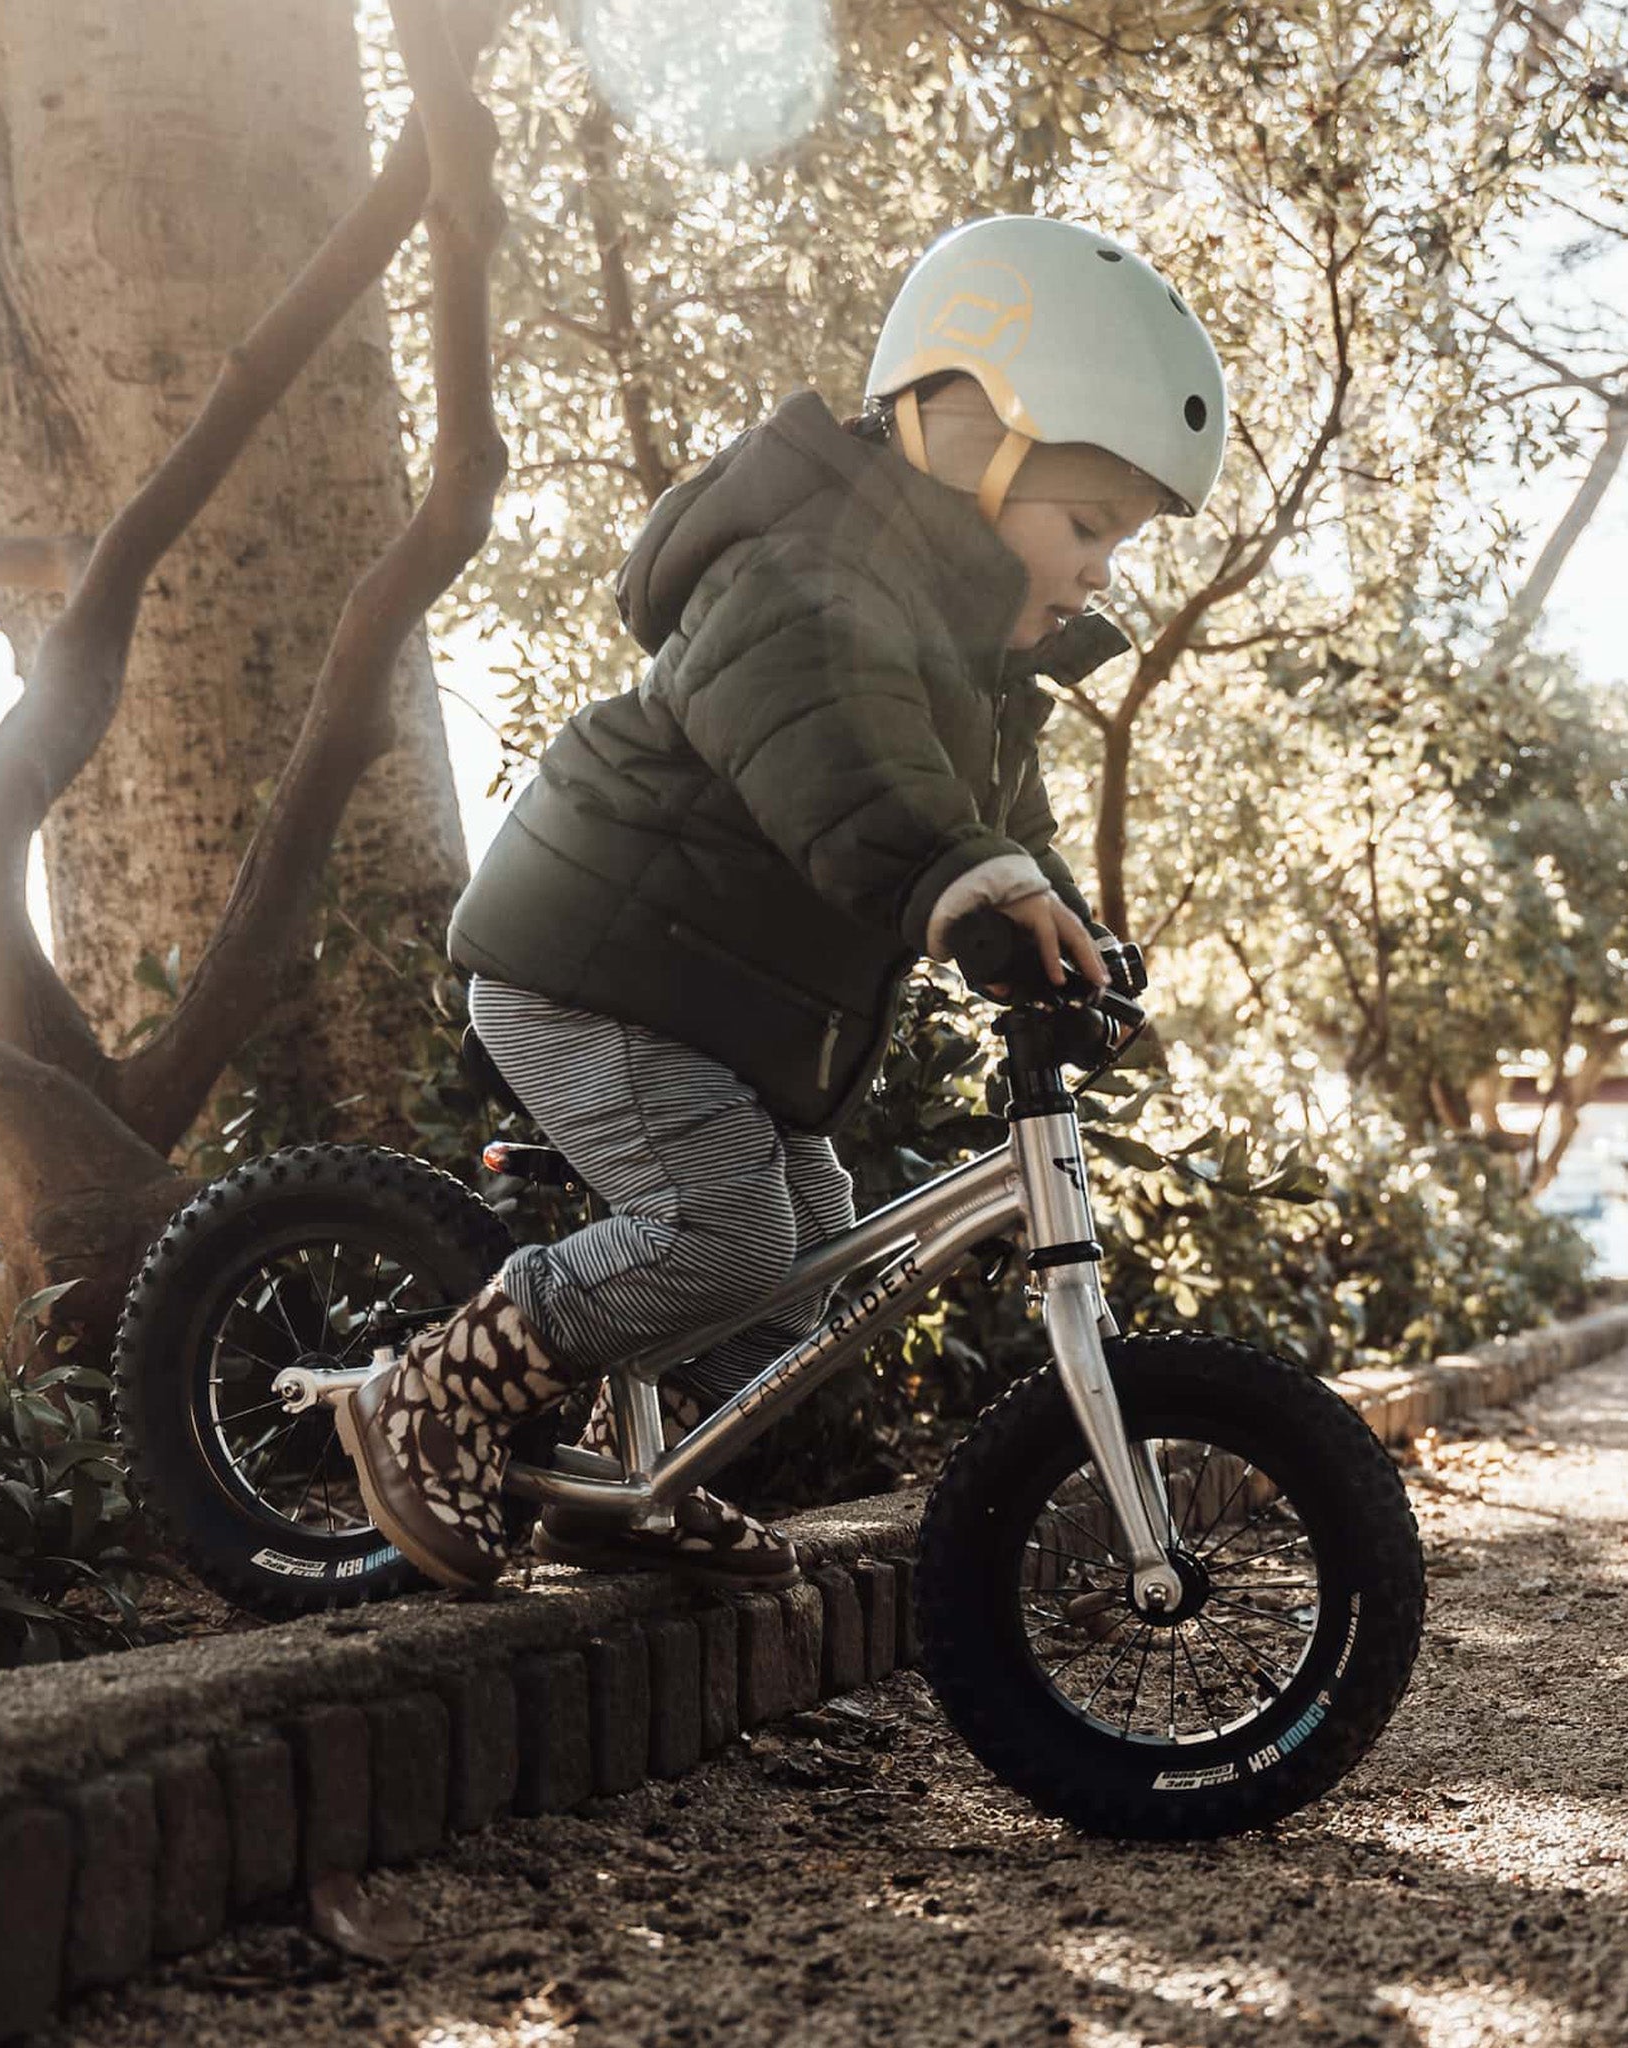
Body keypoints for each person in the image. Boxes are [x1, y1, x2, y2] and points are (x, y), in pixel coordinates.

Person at [333, 213, 1229, 1594]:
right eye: (1089, 522)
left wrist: (1063, 933)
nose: (1102, 567)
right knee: (726, 1233)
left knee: (809, 1258)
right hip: (601, 963)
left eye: (1120, 540)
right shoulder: (811, 574)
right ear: (965, 435)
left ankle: (621, 1483)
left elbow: (997, 834)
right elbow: (837, 751)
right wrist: (955, 875)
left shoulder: (980, 672)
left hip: (704, 1002)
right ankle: (431, 1394)